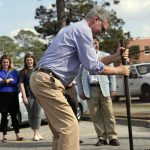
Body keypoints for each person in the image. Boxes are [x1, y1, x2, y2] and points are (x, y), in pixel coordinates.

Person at [29, 6, 130, 150]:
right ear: (96, 20)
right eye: (103, 29)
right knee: (70, 126)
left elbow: (91, 62)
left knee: (60, 131)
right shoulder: (83, 31)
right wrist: (118, 70)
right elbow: (92, 66)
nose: (101, 34)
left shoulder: (73, 29)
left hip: (42, 79)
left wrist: (115, 57)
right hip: (48, 81)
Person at [77, 37, 120, 146]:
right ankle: (101, 137)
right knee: (95, 115)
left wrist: (113, 89)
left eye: (96, 43)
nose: (94, 45)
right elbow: (78, 76)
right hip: (90, 89)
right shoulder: (83, 57)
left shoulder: (105, 55)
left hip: (104, 88)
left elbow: (112, 73)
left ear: (98, 44)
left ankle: (112, 137)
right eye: (91, 43)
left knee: (109, 113)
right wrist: (81, 90)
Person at [19, 52, 43, 141]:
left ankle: (36, 133)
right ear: (25, 61)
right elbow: (21, 84)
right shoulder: (23, 72)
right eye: (27, 60)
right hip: (28, 95)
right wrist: (24, 97)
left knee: (37, 115)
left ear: (33, 60)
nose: (29, 62)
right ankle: (35, 133)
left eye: (30, 60)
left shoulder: (38, 70)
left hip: (38, 95)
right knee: (31, 115)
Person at [0, 54, 24, 143]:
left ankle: (17, 135)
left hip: (13, 95)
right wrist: (8, 80)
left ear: (10, 63)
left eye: (7, 62)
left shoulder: (14, 71)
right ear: (1, 63)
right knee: (4, 116)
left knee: (14, 116)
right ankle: (4, 136)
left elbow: (16, 82)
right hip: (2, 96)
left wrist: (3, 81)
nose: (5, 63)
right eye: (4, 62)